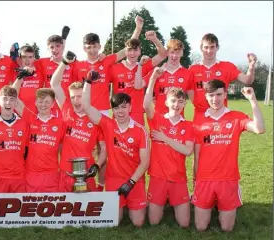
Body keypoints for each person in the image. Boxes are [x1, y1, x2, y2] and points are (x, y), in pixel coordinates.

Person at [191, 80, 265, 232]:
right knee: (200, 227)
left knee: (227, 228)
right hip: (205, 179)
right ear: (206, 96)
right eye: (211, 95)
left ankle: (222, 205)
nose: (215, 99)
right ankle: (212, 204)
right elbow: (197, 153)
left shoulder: (236, 117)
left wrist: (252, 100)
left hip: (228, 179)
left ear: (225, 94)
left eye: (219, 94)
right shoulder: (199, 120)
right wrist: (195, 179)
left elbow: (259, 129)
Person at [81, 71, 150, 227]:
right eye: (116, 108)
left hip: (135, 179)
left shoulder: (140, 130)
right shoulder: (108, 124)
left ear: (130, 107)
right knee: (113, 223)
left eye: (124, 107)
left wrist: (131, 182)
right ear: (113, 110)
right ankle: (119, 206)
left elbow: (145, 162)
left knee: (138, 223)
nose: (120, 112)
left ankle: (131, 205)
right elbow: (86, 106)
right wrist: (88, 82)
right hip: (113, 180)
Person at [143, 67, 194, 228]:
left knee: (185, 224)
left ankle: (170, 202)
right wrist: (152, 79)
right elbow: (146, 105)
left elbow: (187, 151)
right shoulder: (158, 119)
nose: (176, 104)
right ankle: (161, 202)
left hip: (178, 178)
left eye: (180, 101)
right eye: (173, 101)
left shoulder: (189, 126)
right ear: (166, 102)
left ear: (185, 103)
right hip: (158, 177)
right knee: (153, 222)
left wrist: (164, 138)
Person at [50, 53, 106, 192]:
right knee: (65, 210)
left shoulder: (96, 118)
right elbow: (54, 84)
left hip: (87, 172)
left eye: (80, 96)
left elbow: (104, 148)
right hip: (65, 171)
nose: (76, 101)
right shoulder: (66, 107)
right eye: (73, 97)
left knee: (87, 210)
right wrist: (64, 62)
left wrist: (97, 166)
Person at [73, 16, 144, 117]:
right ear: (84, 48)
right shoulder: (78, 65)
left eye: (95, 47)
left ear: (99, 47)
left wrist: (138, 28)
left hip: (102, 110)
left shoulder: (106, 61)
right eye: (89, 47)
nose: (92, 50)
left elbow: (125, 51)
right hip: (83, 109)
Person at [12, 69, 65, 192]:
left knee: (51, 208)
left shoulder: (60, 123)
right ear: (35, 103)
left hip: (52, 174)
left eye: (47, 102)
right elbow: (13, 98)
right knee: (32, 208)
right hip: (32, 174)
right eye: (40, 101)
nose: (43, 105)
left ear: (53, 104)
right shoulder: (30, 118)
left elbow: (62, 147)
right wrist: (19, 78)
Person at [189, 33, 257, 122]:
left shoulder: (227, 67)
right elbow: (188, 91)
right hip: (200, 118)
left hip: (221, 118)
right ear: (201, 48)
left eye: (212, 47)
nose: (209, 51)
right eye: (206, 47)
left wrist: (251, 67)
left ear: (217, 48)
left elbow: (247, 80)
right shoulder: (192, 70)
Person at [110, 30, 167, 125]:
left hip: (137, 114)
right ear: (125, 51)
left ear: (140, 51)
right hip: (119, 113)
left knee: (138, 139)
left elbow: (162, 55)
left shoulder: (144, 65)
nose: (132, 53)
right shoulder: (114, 68)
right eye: (129, 50)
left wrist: (155, 40)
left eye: (135, 50)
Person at [0, 86, 28, 193]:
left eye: (12, 99)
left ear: (16, 103)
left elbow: (26, 153)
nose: (8, 102)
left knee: (18, 208)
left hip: (19, 176)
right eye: (5, 99)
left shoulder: (24, 124)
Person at [143, 39, 194, 116]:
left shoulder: (188, 74)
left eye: (178, 53)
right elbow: (139, 85)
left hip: (178, 120)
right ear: (167, 53)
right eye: (172, 52)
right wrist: (141, 65)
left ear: (182, 53)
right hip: (159, 119)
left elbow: (193, 100)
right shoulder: (157, 72)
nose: (174, 56)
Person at [13, 45, 46, 114]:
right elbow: (12, 93)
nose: (27, 60)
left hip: (36, 113)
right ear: (20, 58)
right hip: (18, 113)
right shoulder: (15, 73)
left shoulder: (40, 73)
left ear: (34, 58)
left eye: (30, 57)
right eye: (24, 57)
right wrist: (21, 75)